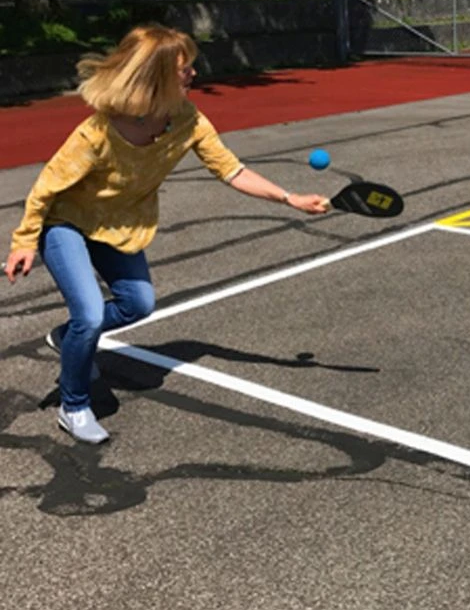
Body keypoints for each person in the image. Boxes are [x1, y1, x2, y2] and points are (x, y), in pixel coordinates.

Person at [4, 25, 329, 444]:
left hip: (120, 227)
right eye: (184, 68)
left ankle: (69, 338)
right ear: (155, 77)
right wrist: (25, 241)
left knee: (138, 303)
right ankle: (75, 404)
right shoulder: (97, 132)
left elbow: (231, 170)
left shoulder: (187, 120)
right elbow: (46, 189)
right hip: (67, 224)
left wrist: (290, 198)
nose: (194, 73)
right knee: (89, 314)